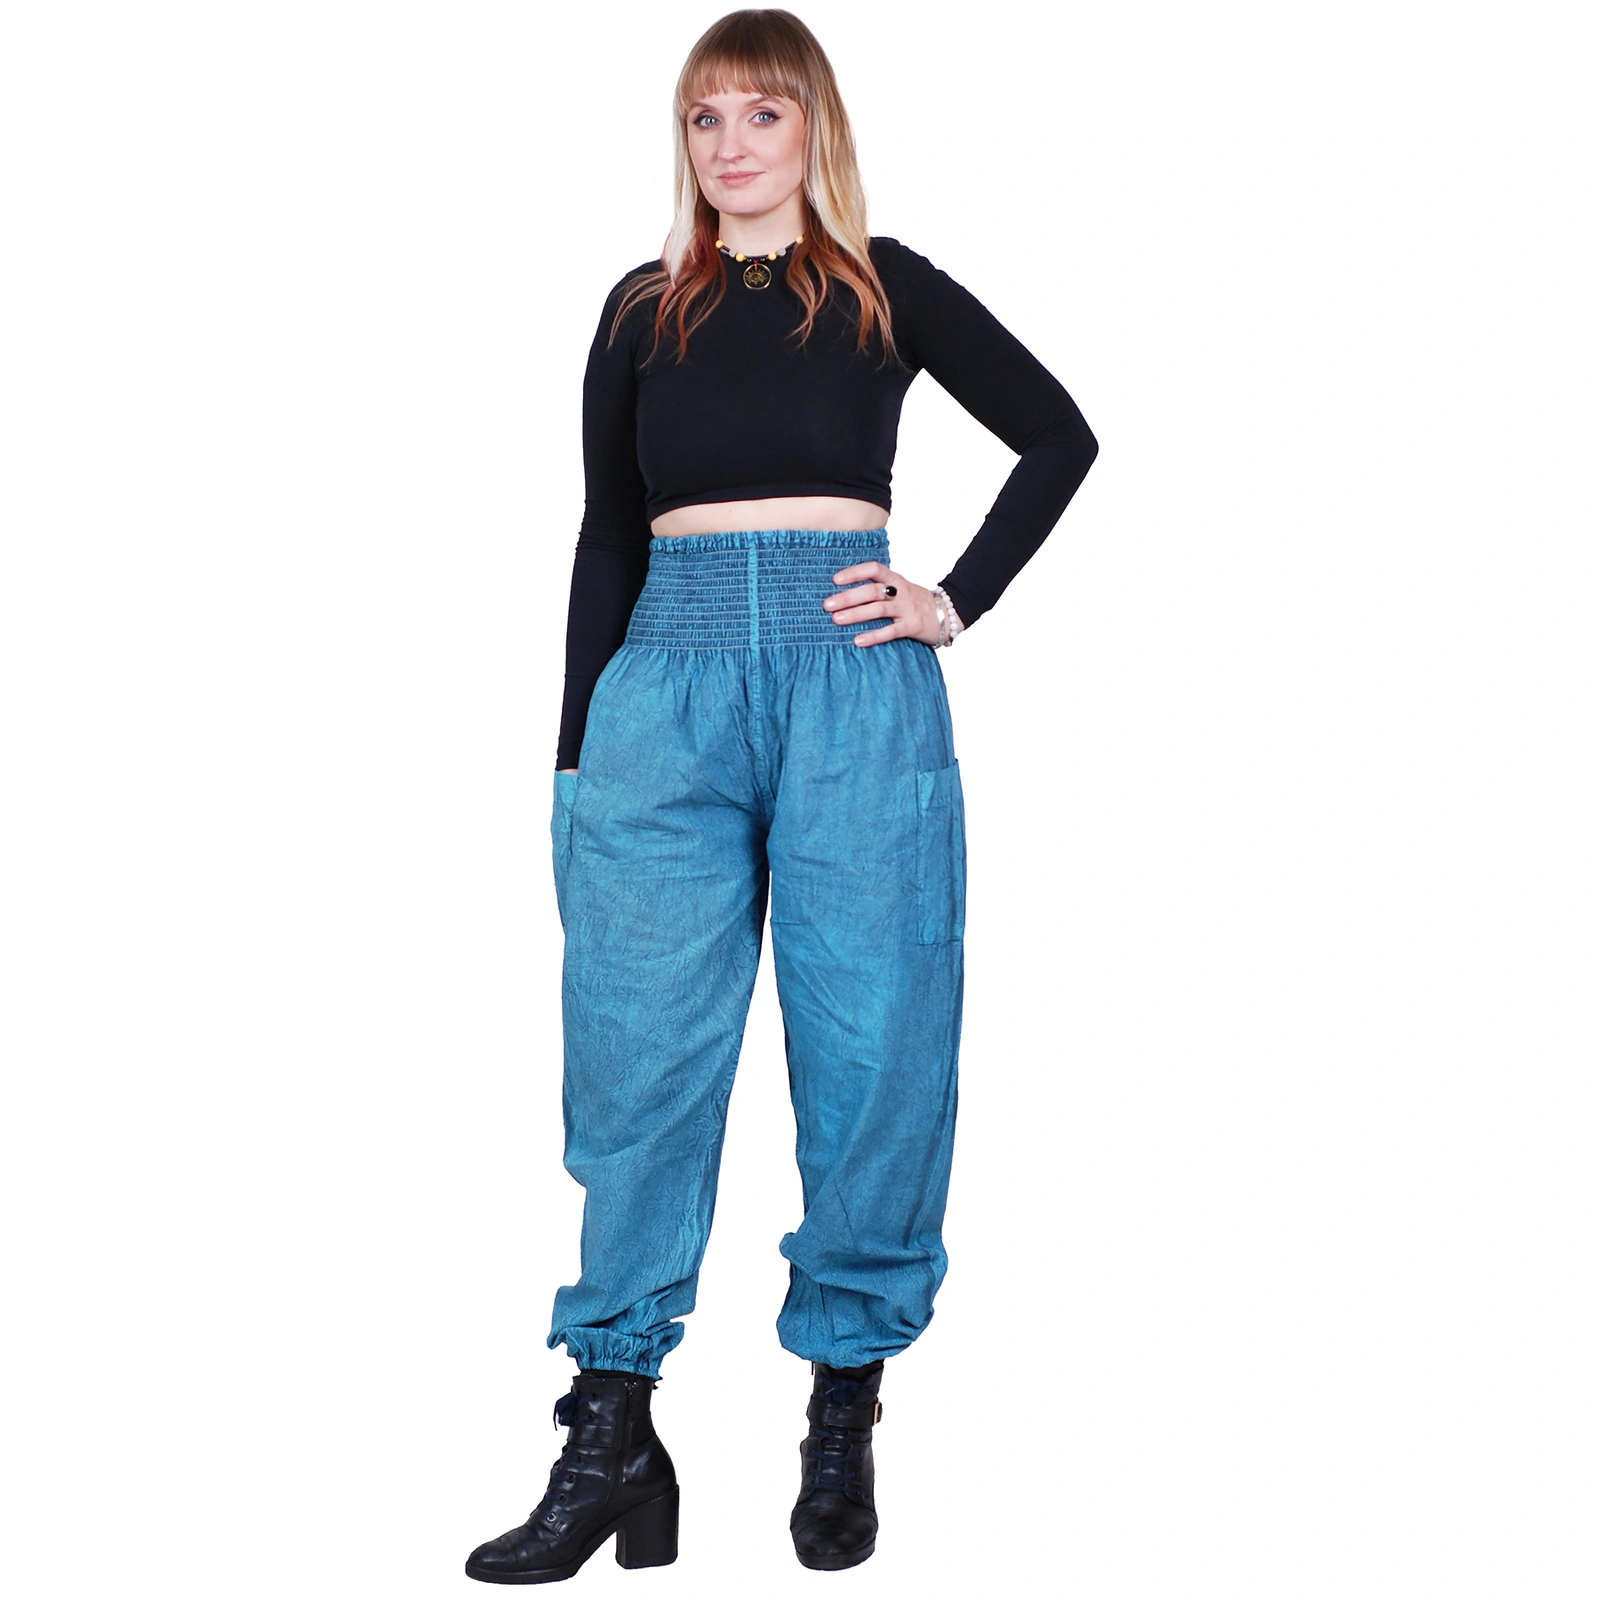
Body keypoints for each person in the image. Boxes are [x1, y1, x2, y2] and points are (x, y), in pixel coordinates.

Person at [465, 8, 1098, 1583]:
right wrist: (573, 756)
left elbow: (1059, 436)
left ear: (817, 125)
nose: (731, 145)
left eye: (761, 113)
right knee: (635, 1060)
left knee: (876, 1042)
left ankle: (843, 1404)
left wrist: (953, 599)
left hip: (852, 681)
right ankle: (613, 1427)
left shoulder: (886, 286)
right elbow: (605, 532)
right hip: (660, 691)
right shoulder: (640, 308)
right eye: (705, 119)